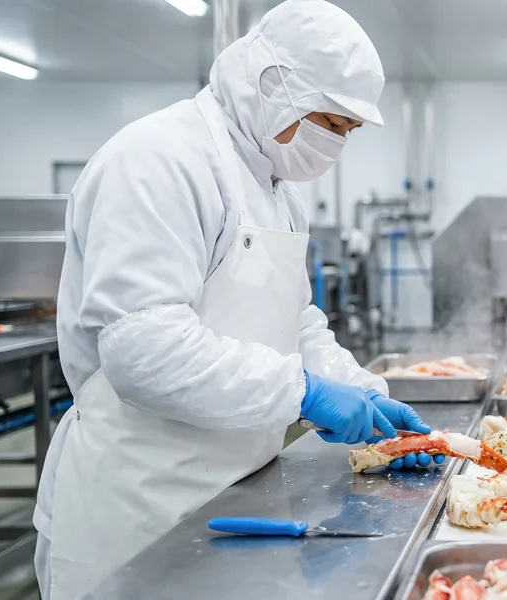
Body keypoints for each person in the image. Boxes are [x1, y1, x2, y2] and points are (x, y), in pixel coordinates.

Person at [32, 1, 443, 598]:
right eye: (330, 123)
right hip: (139, 513)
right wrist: (304, 393)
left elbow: (296, 322)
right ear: (273, 86)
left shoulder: (275, 189)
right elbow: (144, 352)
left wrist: (369, 398)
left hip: (237, 494)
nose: (335, 147)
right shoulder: (159, 159)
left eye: (347, 132)